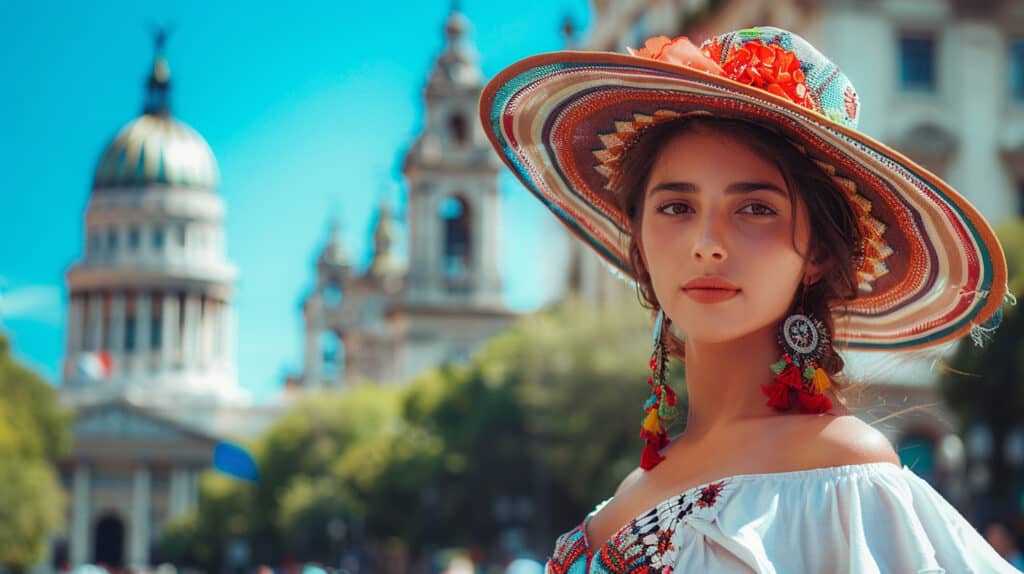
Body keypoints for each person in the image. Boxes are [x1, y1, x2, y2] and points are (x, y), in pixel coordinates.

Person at [479, 26, 1020, 572]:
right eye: (675, 208)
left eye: (756, 208)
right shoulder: (637, 481)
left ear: (819, 255)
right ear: (638, 237)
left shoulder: (842, 475)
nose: (707, 245)